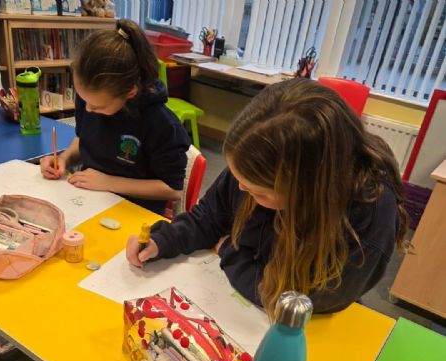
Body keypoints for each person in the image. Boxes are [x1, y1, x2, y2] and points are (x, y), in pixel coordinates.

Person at [126, 78, 407, 318]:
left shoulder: (370, 216)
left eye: (258, 191)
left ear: (307, 188)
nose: (241, 188)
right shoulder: (254, 159)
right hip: (241, 301)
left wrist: (230, 252)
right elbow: (209, 216)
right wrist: (164, 240)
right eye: (239, 179)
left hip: (307, 328)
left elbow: (303, 301)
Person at [40, 20, 190, 216]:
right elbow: (84, 139)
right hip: (89, 201)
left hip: (134, 212)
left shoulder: (161, 124)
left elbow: (173, 189)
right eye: (84, 100)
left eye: (98, 106)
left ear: (130, 93)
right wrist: (63, 159)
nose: (88, 109)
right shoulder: (90, 100)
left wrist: (108, 182)